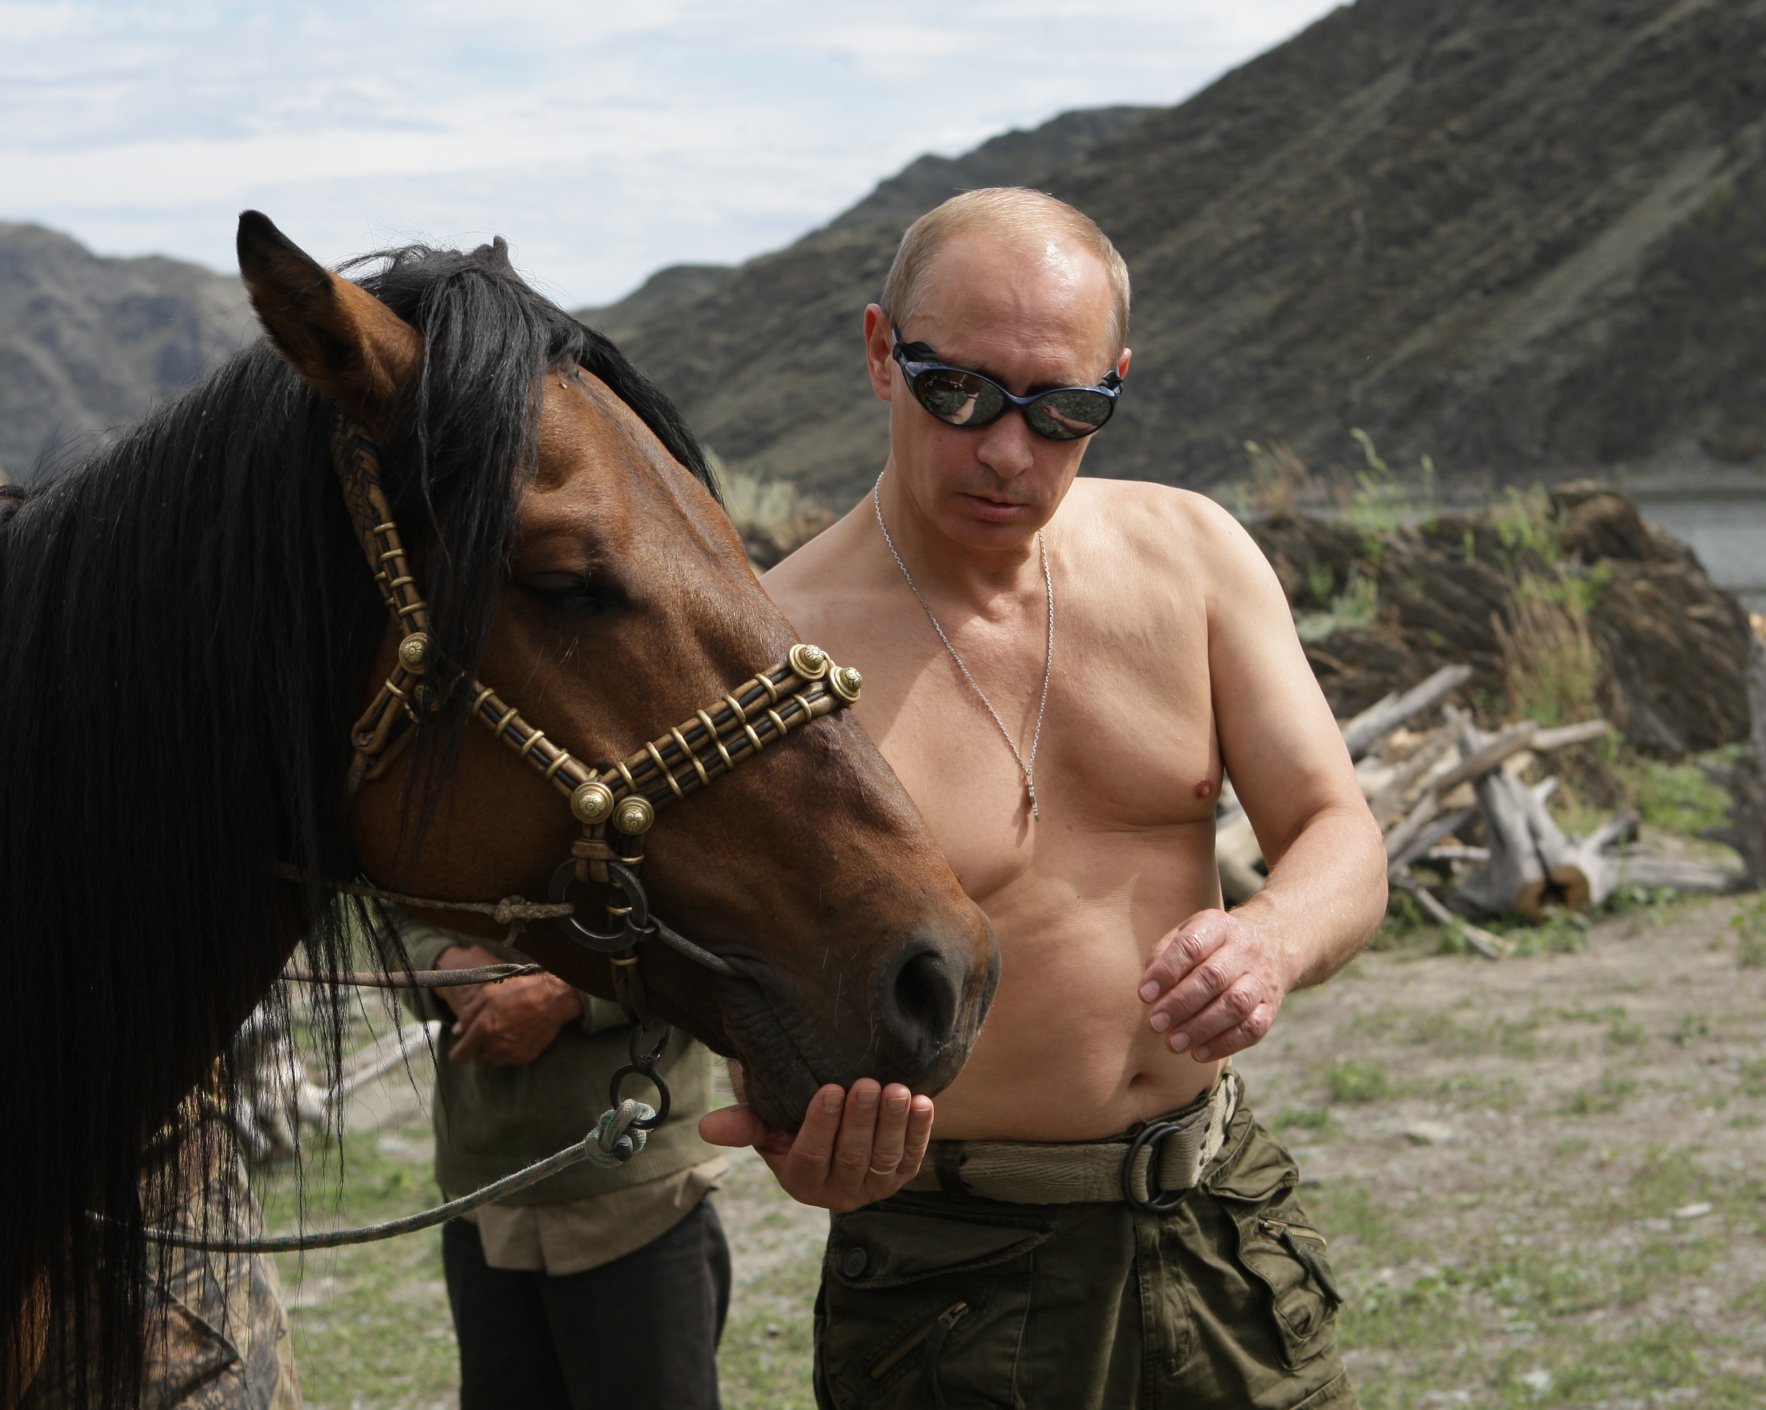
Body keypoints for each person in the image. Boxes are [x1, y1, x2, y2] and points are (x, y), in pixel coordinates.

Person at [699, 187, 1388, 1408]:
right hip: (954, 1276)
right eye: (957, 393)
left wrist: (1271, 942)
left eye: (1067, 411)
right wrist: (809, 1145)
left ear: (1115, 384)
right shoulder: (779, 654)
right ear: (878, 353)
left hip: (1220, 1222)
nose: (1009, 451)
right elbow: (761, 996)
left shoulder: (1195, 556)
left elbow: (1338, 832)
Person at [394, 914, 729, 1410]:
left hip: (640, 1195)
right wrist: (443, 966)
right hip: (483, 1197)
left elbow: (710, 929)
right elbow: (389, 916)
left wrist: (567, 992)